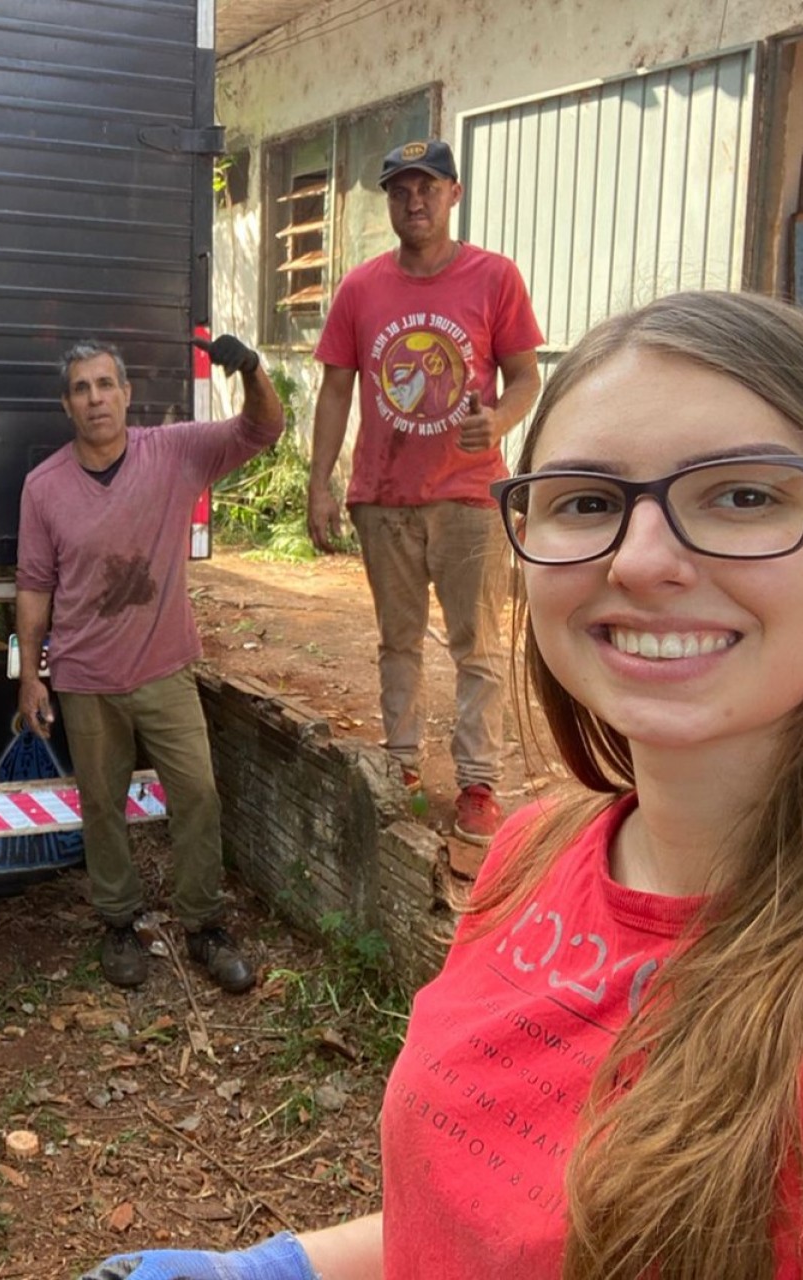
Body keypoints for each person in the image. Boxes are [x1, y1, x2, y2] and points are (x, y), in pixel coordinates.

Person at [81, 289, 803, 1279]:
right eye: (586, 501)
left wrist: (254, 375)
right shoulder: (531, 857)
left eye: (742, 494)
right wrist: (276, 1267)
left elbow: (260, 425)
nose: (644, 558)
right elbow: (467, 1230)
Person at [16, 335, 285, 994]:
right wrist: (30, 674)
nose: (95, 398)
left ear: (127, 394)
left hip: (166, 669)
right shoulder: (44, 486)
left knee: (198, 794)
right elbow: (34, 585)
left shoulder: (175, 452)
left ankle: (203, 925)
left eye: (105, 384)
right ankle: (118, 923)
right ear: (67, 405)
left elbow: (263, 427)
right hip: (85, 678)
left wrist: (251, 368)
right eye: (81, 389)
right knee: (102, 805)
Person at [306, 138, 544, 845]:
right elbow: (336, 389)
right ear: (389, 201)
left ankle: (477, 783)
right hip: (384, 495)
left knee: (477, 646)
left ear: (454, 194)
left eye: (428, 187)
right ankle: (402, 766)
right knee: (398, 641)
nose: (415, 201)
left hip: (469, 495)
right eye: (401, 190)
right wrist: (322, 483)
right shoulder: (361, 288)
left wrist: (498, 420)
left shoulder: (494, 278)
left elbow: (525, 375)